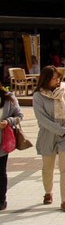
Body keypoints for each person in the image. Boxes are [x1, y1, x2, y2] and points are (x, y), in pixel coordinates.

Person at [32, 66, 65, 212]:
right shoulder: (38, 96)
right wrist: (60, 130)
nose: (57, 80)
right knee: (48, 167)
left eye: (59, 77)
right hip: (48, 135)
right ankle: (48, 191)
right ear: (46, 79)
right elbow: (42, 119)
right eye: (54, 78)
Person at [0, 83, 25, 211]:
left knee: (1, 171)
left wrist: (7, 122)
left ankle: (1, 200)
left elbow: (19, 115)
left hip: (1, 143)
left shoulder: (8, 98)